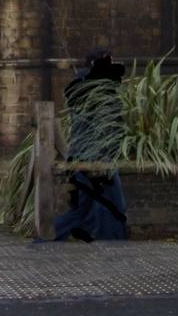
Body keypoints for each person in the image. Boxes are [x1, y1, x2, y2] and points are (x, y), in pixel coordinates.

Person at [54, 48, 128, 242]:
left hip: (81, 155)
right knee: (113, 204)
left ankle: (47, 236)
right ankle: (114, 242)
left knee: (82, 210)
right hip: (96, 157)